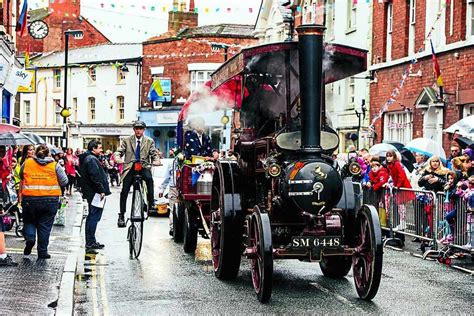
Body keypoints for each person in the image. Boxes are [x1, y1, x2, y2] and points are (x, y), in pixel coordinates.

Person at [19, 144, 68, 259]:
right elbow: (64, 181)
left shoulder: (28, 163)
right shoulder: (55, 165)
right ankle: (42, 251)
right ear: (49, 154)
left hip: (30, 200)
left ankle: (30, 239)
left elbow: (21, 175)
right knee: (45, 226)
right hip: (50, 200)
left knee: (29, 221)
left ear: (36, 153)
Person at [115, 121, 161, 227]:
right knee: (125, 190)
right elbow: (119, 151)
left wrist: (156, 161)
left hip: (143, 166)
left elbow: (154, 153)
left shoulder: (149, 141)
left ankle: (151, 204)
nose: (138, 130)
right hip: (130, 167)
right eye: (136, 128)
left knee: (149, 179)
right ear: (134, 129)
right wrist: (118, 158)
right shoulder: (127, 140)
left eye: (140, 128)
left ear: (144, 130)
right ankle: (121, 214)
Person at [79, 140, 111, 250]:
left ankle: (90, 241)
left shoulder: (88, 158)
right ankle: (90, 241)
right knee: (94, 217)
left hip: (90, 192)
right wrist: (101, 190)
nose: (101, 150)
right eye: (99, 148)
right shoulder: (91, 159)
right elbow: (95, 176)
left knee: (92, 216)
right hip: (94, 193)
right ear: (93, 149)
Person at [385, 149, 414, 231]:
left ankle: (403, 222)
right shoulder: (390, 165)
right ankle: (402, 222)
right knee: (400, 206)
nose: (388, 158)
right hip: (398, 187)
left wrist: (397, 186)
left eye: (390, 156)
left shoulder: (397, 164)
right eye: (387, 156)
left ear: (394, 157)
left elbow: (401, 175)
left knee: (401, 206)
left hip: (402, 187)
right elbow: (394, 177)